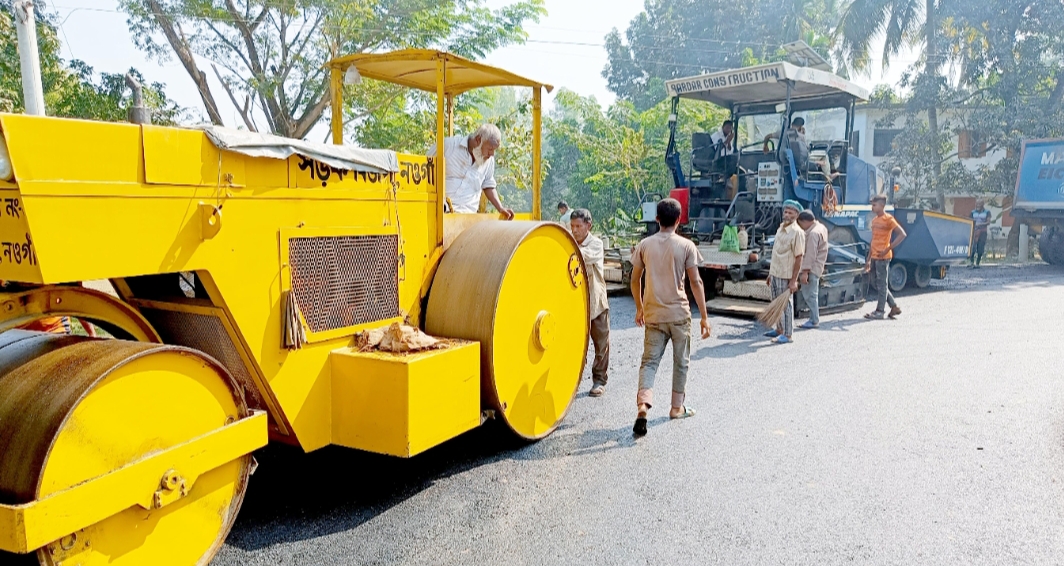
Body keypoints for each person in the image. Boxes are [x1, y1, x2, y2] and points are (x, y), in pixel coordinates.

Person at [630, 198, 712, 436]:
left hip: (654, 314)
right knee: (681, 362)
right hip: (679, 315)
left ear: (657, 219)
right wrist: (704, 317)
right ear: (679, 220)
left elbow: (634, 279)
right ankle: (676, 407)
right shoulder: (686, 246)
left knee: (649, 362)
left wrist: (639, 308)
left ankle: (643, 406)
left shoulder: (644, 245)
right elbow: (695, 282)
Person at [426, 124, 514, 218]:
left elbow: (488, 185)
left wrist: (500, 208)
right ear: (478, 139)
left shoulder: (489, 161)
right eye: (490, 149)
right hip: (440, 215)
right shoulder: (448, 146)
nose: (492, 154)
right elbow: (424, 166)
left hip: (468, 218)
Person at [570, 209, 610, 397]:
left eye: (578, 226)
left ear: (588, 226)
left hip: (596, 303)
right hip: (576, 304)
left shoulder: (595, 244)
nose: (575, 230)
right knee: (575, 346)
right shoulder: (569, 241)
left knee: (601, 344)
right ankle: (571, 382)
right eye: (572, 226)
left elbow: (581, 255)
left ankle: (599, 380)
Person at [764, 200, 806, 343]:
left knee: (785, 305)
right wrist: (770, 273)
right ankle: (779, 329)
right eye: (785, 212)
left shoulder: (797, 233)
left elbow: (799, 257)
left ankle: (788, 335)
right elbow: (775, 253)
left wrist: (794, 280)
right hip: (776, 272)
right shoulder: (781, 228)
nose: (787, 215)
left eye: (790, 212)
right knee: (776, 303)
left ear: (796, 215)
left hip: (786, 275)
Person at [864, 195, 906, 320]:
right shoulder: (875, 221)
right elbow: (873, 240)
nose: (872, 207)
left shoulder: (889, 219)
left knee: (881, 284)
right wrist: (868, 259)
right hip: (875, 256)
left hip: (883, 257)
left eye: (874, 205)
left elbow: (902, 234)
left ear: (882, 205)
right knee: (879, 283)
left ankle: (880, 311)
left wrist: (888, 248)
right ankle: (893, 306)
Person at [797, 210, 829, 329]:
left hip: (812, 268)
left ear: (805, 221)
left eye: (801, 224)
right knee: (812, 294)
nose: (801, 227)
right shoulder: (821, 227)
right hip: (818, 265)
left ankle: (814, 320)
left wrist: (805, 271)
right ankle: (813, 319)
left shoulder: (812, 234)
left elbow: (810, 254)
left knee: (810, 294)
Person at [970, 199, 991, 267]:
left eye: (980, 204)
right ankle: (971, 262)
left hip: (982, 232)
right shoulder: (972, 212)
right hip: (974, 232)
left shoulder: (987, 212)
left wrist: (980, 224)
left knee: (980, 247)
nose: (978, 205)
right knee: (972, 247)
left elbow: (988, 222)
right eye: (977, 204)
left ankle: (978, 263)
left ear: (983, 204)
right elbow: (969, 221)